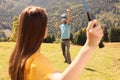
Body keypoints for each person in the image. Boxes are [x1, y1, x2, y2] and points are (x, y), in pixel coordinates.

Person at [9, 6, 103, 80]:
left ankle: (68, 61)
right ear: (42, 31)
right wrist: (89, 45)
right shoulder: (37, 63)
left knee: (67, 51)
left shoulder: (16, 59)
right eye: (46, 25)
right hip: (62, 40)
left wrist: (69, 13)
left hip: (66, 40)